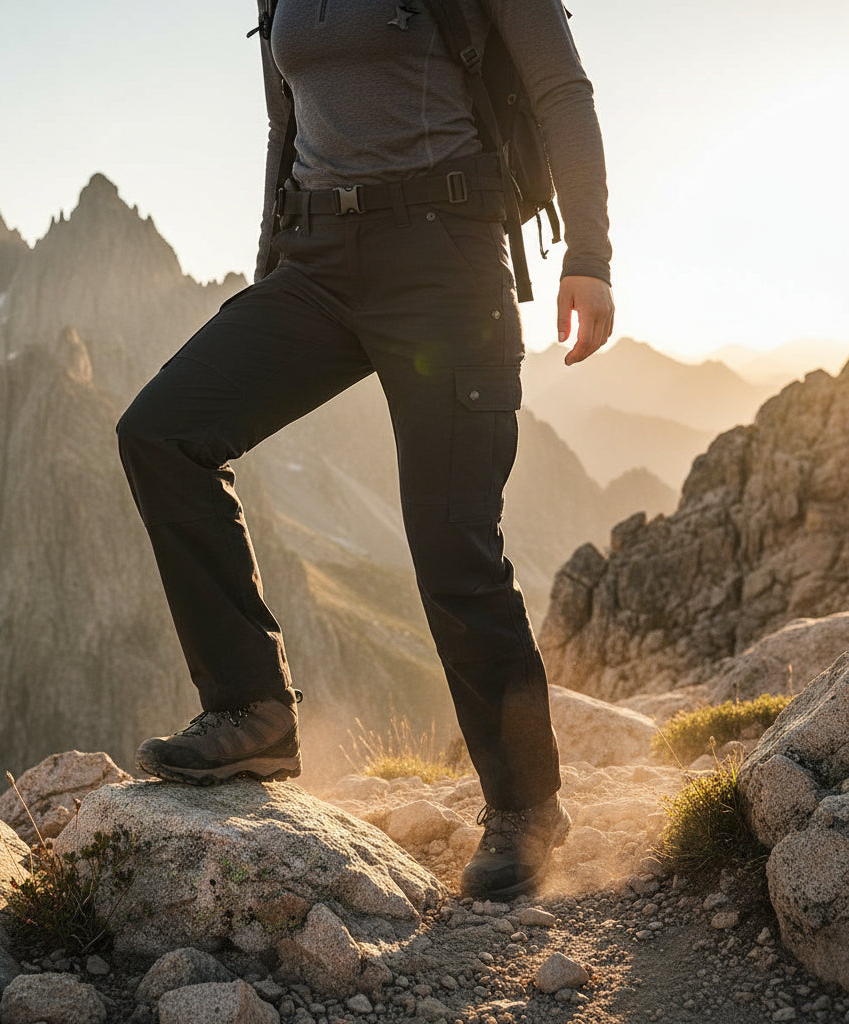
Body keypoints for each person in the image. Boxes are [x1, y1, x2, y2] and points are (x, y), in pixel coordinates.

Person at [116, 0, 614, 899]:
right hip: (316, 262)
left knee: (452, 542)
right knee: (162, 432)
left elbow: (561, 91)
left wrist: (590, 252)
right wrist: (273, 271)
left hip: (446, 261)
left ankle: (526, 810)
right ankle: (253, 711)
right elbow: (288, 123)